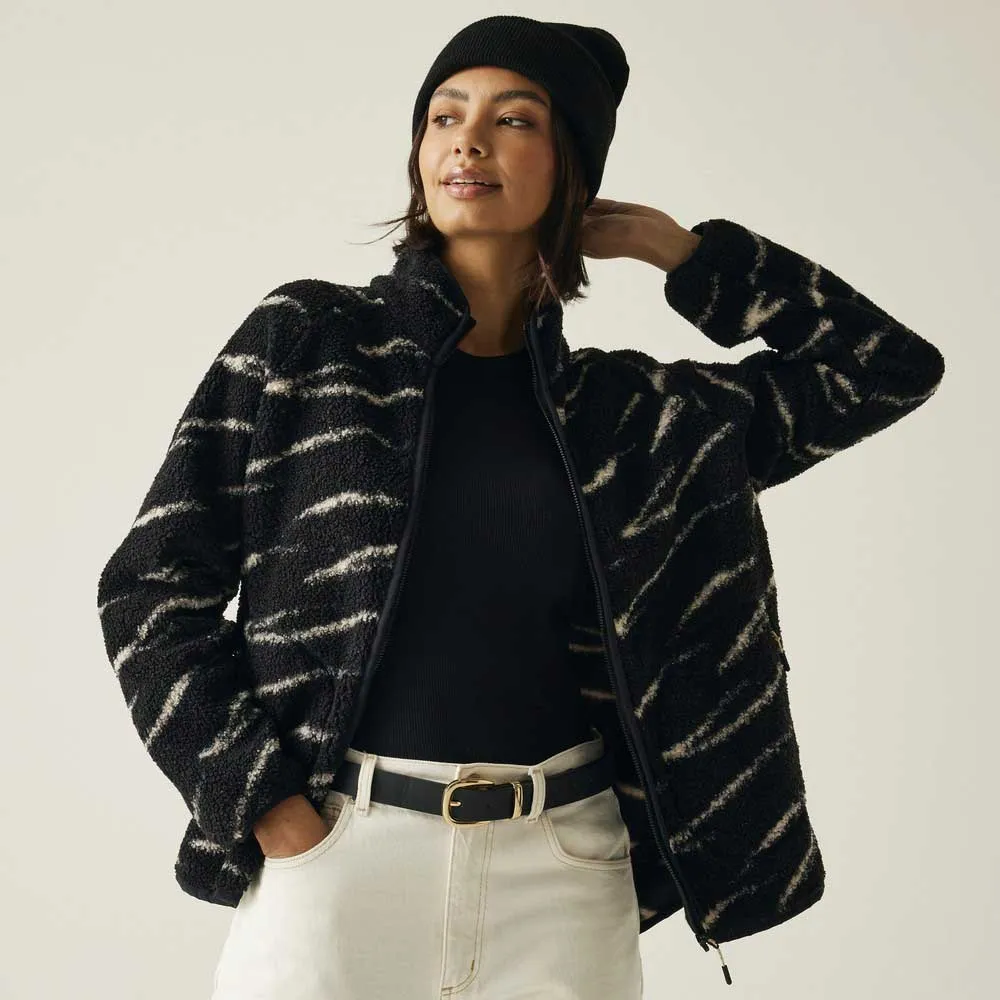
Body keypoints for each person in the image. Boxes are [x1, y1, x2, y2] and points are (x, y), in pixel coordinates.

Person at [95, 15, 945, 998]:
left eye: (514, 120)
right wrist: (262, 801)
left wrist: (682, 252)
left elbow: (886, 369)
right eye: (444, 116)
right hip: (338, 861)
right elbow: (149, 585)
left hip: (565, 874)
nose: (468, 141)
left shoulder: (641, 420)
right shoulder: (309, 344)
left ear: (571, 167)